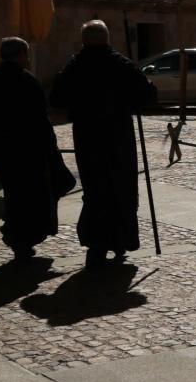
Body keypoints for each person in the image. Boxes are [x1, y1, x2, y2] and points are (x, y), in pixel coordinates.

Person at [50, 20, 156, 269]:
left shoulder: (75, 66)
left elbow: (56, 99)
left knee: (95, 189)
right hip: (118, 136)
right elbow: (148, 95)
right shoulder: (121, 64)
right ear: (107, 39)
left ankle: (97, 244)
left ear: (84, 41)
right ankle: (120, 240)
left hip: (88, 137)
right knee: (121, 186)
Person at [0, 37, 74, 261]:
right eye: (26, 54)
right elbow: (40, 121)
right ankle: (23, 237)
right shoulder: (27, 82)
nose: (28, 59)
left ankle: (18, 236)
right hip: (29, 153)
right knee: (31, 197)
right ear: (20, 55)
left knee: (14, 195)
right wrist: (50, 149)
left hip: (4, 154)